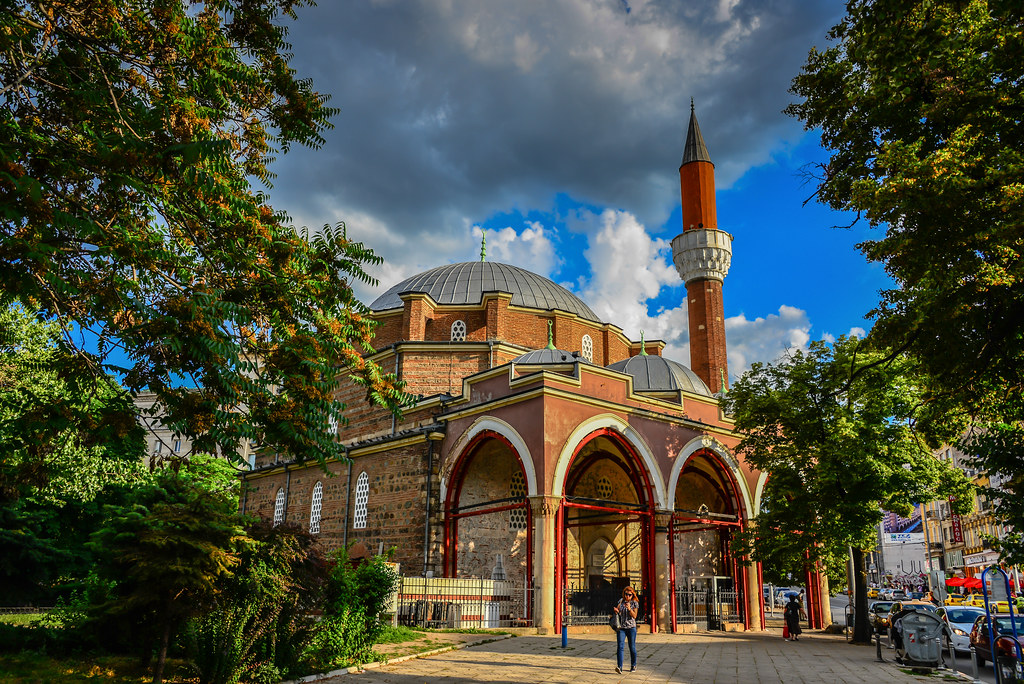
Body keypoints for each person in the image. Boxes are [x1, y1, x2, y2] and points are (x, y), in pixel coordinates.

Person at [613, 586, 639, 673]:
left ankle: (633, 665)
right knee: (620, 647)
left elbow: (634, 616)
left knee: (632, 647)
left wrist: (629, 609)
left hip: (631, 628)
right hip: (621, 628)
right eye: (626, 594)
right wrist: (616, 610)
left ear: (632, 595)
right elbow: (619, 611)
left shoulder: (634, 603)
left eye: (629, 595)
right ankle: (619, 666)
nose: (627, 596)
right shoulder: (621, 601)